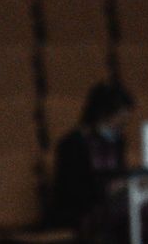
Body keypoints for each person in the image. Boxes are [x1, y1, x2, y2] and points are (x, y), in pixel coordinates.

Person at [50, 81, 134, 240]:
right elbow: (70, 190)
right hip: (82, 211)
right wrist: (106, 190)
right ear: (102, 114)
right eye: (119, 120)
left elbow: (121, 174)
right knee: (136, 216)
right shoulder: (72, 144)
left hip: (115, 205)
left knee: (141, 212)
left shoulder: (117, 141)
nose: (121, 127)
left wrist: (122, 186)